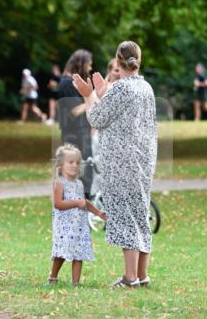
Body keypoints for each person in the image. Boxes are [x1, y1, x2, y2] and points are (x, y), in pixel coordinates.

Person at [73, 40, 157, 289]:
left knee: (125, 217)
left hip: (121, 162)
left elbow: (96, 118)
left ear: (118, 61)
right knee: (141, 214)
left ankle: (129, 278)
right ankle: (142, 275)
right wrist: (102, 94)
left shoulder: (122, 89)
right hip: (143, 159)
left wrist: (88, 95)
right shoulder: (146, 88)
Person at [49, 144, 105, 287]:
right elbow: (58, 204)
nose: (75, 165)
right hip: (64, 226)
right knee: (62, 252)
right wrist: (75, 202)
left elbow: (84, 202)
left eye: (78, 163)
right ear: (61, 165)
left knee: (78, 254)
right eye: (70, 162)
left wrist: (98, 212)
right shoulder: (59, 182)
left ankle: (76, 283)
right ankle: (53, 277)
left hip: (79, 226)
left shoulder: (79, 183)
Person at [57, 49, 94, 195]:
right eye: (89, 65)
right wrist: (92, 97)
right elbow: (76, 110)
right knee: (77, 174)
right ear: (81, 63)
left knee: (86, 172)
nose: (90, 68)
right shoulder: (67, 83)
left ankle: (85, 208)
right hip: (74, 135)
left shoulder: (73, 83)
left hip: (82, 133)